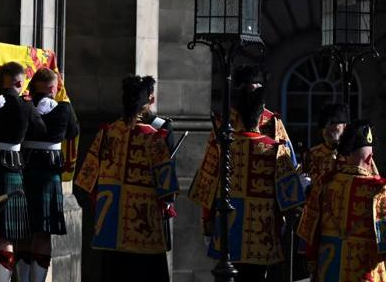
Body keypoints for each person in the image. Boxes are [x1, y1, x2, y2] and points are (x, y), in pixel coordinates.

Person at [188, 64, 306, 282]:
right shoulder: (223, 122)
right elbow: (210, 174)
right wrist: (207, 221)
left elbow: (289, 163)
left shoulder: (273, 121)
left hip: (264, 214)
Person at [75, 74, 179, 282]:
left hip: (110, 224)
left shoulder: (106, 133)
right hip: (144, 227)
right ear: (149, 101)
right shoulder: (154, 137)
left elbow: (86, 181)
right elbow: (167, 189)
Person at [298, 120, 386, 281]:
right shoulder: (380, 191)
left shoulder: (323, 185)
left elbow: (309, 233)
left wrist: (312, 266)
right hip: (365, 274)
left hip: (328, 271)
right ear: (369, 159)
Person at [0, 61, 46, 282]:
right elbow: (41, 130)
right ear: (20, 82)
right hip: (11, 168)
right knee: (6, 237)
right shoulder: (25, 107)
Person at [16, 68, 79, 282]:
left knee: (24, 229)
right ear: (54, 88)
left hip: (24, 170)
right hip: (49, 174)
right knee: (43, 232)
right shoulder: (64, 109)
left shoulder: (25, 106)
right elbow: (73, 132)